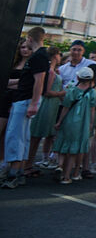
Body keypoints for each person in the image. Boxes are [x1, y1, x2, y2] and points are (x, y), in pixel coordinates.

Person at [1, 28, 48, 190]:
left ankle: (13, 175)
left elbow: (39, 81)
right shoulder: (39, 56)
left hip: (25, 100)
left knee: (15, 137)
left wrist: (34, 103)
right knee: (22, 137)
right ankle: (18, 173)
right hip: (24, 99)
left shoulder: (38, 56)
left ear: (29, 38)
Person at [52, 66, 96, 184]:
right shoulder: (93, 92)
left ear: (78, 77)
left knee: (63, 143)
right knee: (74, 150)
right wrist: (91, 123)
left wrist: (59, 121)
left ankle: (60, 165)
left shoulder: (72, 90)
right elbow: (93, 109)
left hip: (69, 120)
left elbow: (65, 107)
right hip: (83, 122)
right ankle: (67, 176)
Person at [27, 47, 63, 174]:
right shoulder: (51, 72)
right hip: (48, 105)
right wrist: (62, 93)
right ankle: (27, 164)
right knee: (36, 136)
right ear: (55, 55)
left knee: (37, 137)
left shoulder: (53, 71)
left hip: (51, 105)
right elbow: (47, 92)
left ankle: (28, 163)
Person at [1, 38, 32, 168]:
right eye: (22, 47)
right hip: (5, 99)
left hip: (19, 100)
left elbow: (27, 85)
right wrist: (20, 81)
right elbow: (4, 82)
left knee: (10, 134)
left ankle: (4, 163)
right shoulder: (13, 63)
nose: (25, 50)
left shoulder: (31, 66)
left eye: (28, 48)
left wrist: (14, 83)